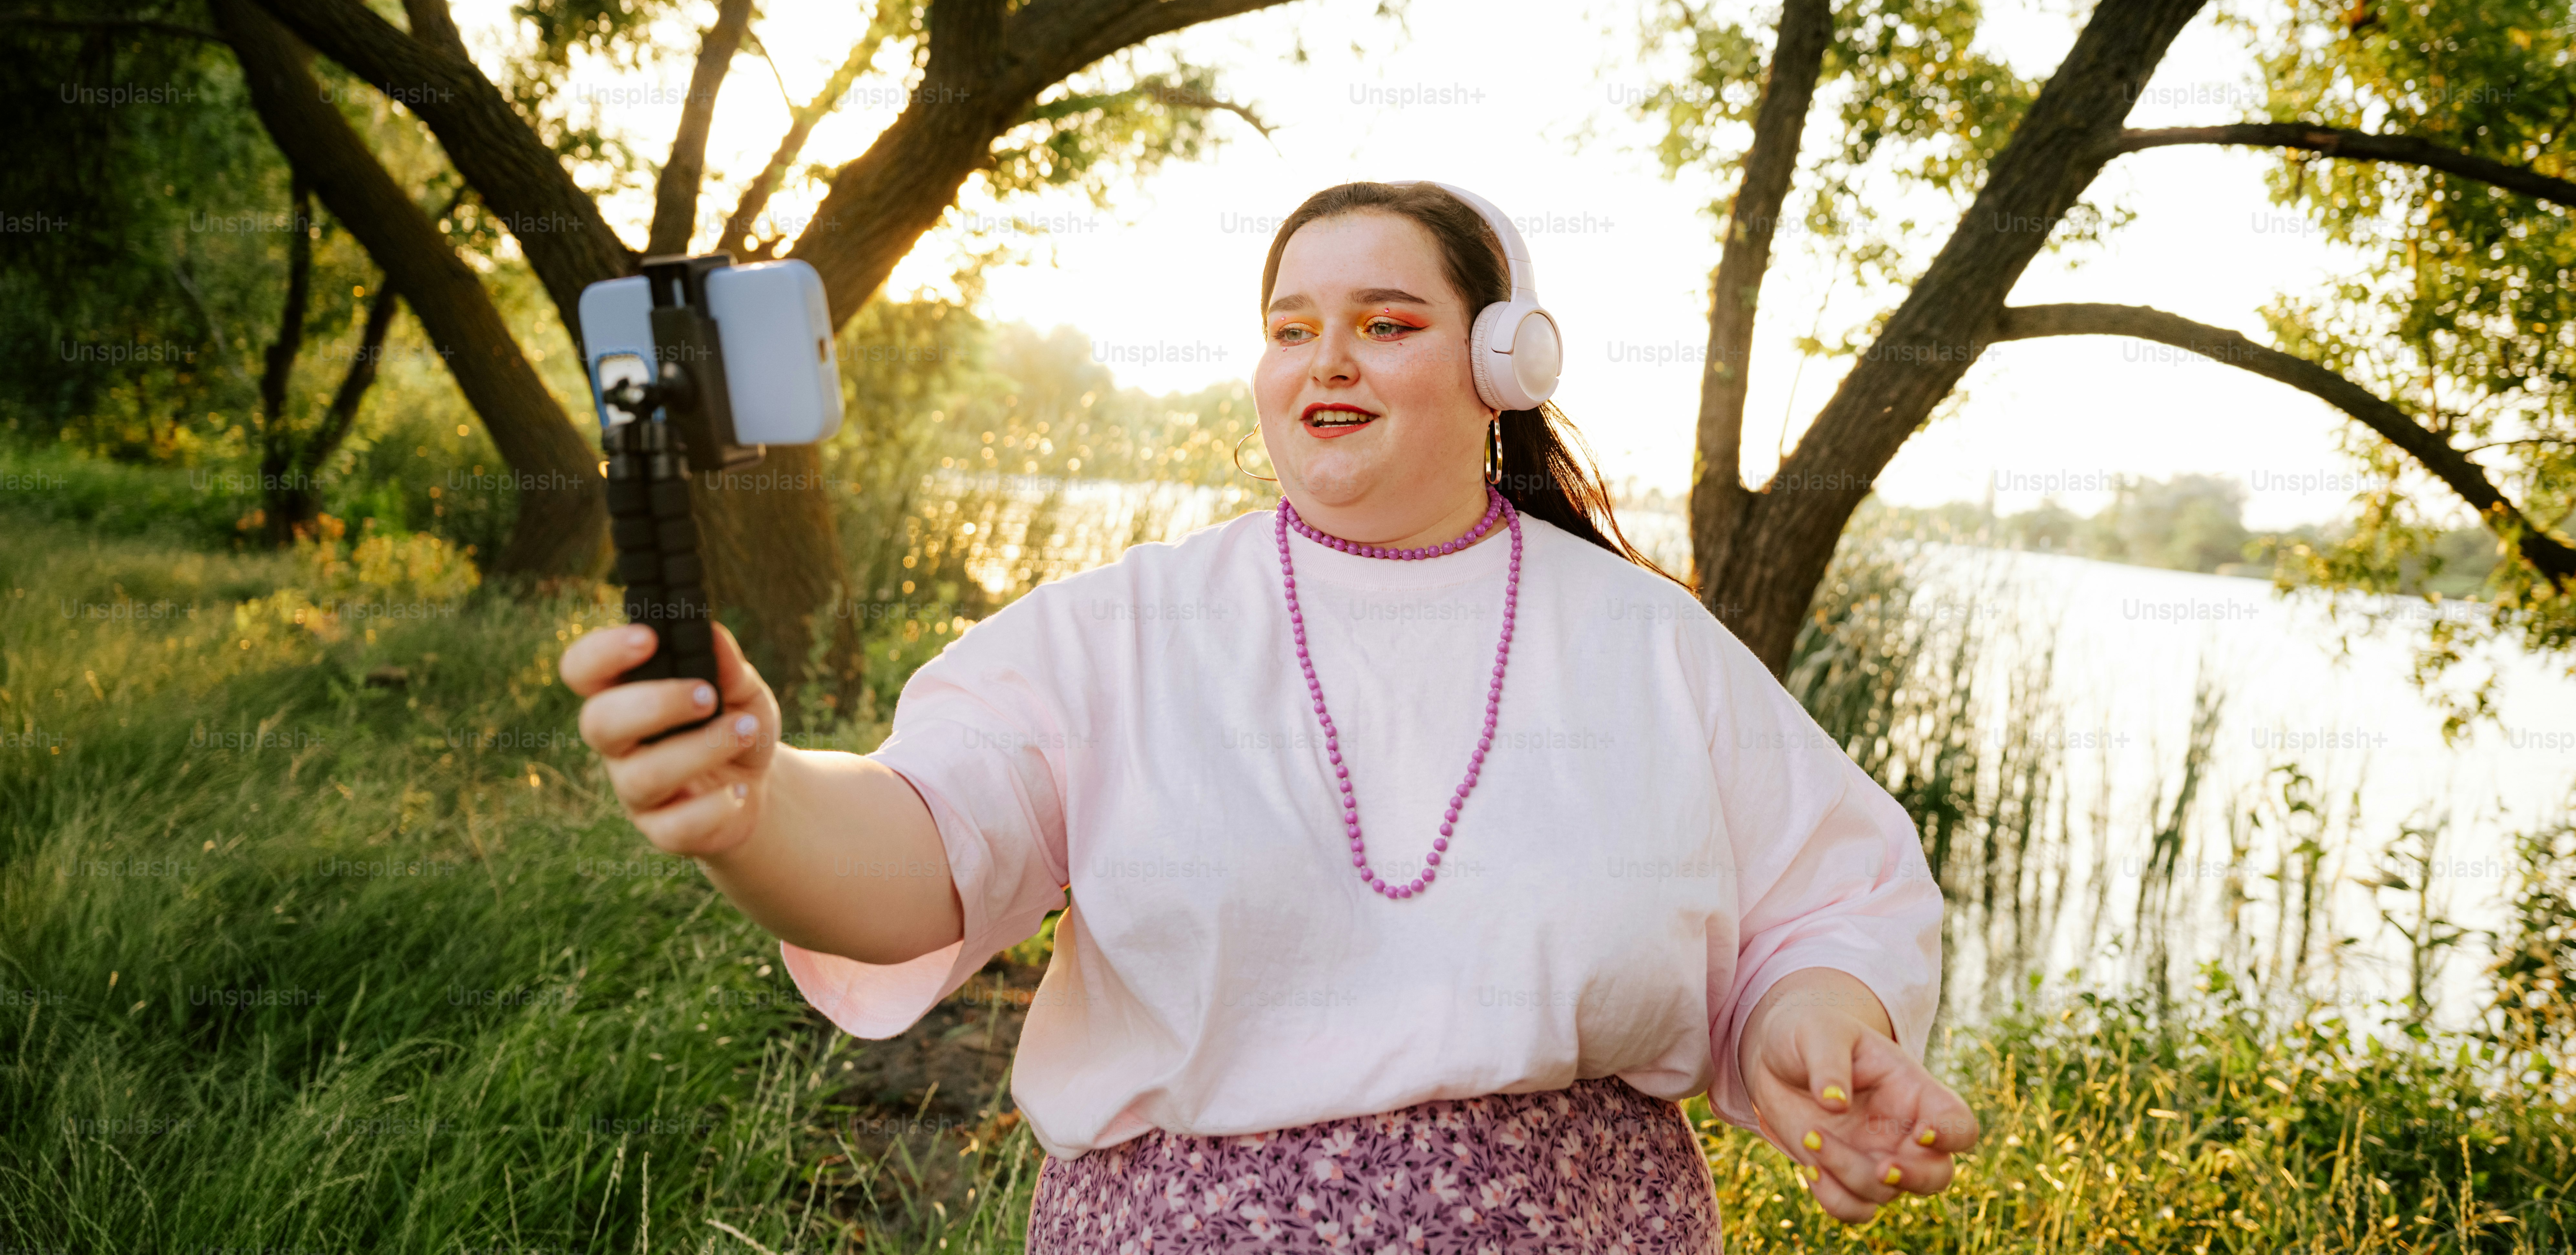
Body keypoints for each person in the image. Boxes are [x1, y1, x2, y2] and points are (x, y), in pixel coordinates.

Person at [561, 179, 1979, 1250]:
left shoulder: (1646, 644)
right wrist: (754, 797)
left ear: (1500, 367)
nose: (1325, 360)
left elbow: (1820, 901)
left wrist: (1817, 1020)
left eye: (1384, 323)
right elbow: (913, 855)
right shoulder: (1121, 629)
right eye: (1290, 327)